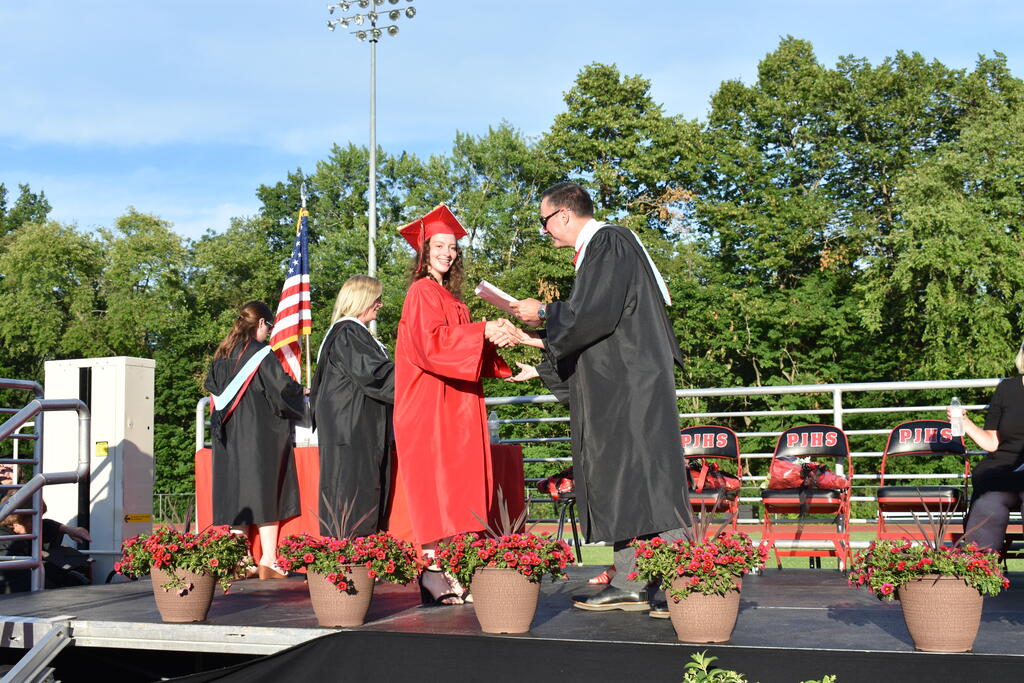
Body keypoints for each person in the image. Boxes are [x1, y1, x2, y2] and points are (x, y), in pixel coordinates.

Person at [509, 181, 691, 614]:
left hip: (632, 388)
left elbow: (592, 315)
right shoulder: (604, 247)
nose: (544, 230)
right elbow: (597, 325)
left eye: (544, 221)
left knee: (650, 479)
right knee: (625, 480)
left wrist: (543, 311)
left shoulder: (609, 242)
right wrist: (538, 344)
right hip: (622, 384)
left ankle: (687, 587)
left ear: (564, 215)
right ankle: (633, 582)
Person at [388, 203, 520, 605]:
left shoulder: (448, 296)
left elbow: (464, 346)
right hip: (429, 407)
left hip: (455, 404)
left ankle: (453, 565)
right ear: (423, 251)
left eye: (452, 247)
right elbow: (433, 346)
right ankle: (431, 572)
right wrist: (483, 329)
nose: (448, 252)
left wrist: (497, 344)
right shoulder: (421, 292)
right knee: (436, 486)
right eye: (439, 246)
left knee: (458, 485)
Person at [206, 301, 306, 579]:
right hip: (260, 435)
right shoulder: (260, 354)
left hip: (227, 437)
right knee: (265, 493)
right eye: (269, 327)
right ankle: (269, 559)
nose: (269, 332)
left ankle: (242, 560)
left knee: (236, 492)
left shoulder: (222, 356)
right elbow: (282, 390)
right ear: (261, 323)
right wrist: (301, 392)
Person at [310, 275, 395, 537]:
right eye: (376, 299)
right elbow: (375, 374)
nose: (380, 304)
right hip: (353, 429)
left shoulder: (349, 333)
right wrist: (419, 377)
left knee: (353, 493)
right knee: (352, 494)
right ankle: (351, 555)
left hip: (353, 426)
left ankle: (353, 553)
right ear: (362, 299)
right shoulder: (349, 333)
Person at [952, 344, 1024, 552]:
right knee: (987, 503)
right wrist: (965, 423)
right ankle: (979, 567)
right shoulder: (1007, 389)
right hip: (1004, 467)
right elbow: (992, 442)